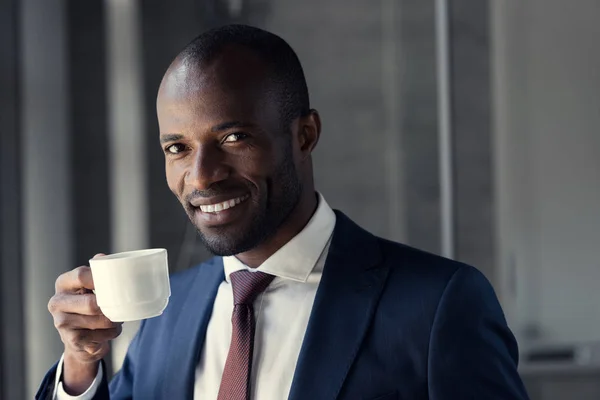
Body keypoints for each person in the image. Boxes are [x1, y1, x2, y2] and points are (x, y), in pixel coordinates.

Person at [37, 24, 529, 400]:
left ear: (305, 135)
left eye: (234, 138)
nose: (202, 175)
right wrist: (80, 368)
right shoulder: (171, 309)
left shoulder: (438, 305)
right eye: (177, 148)